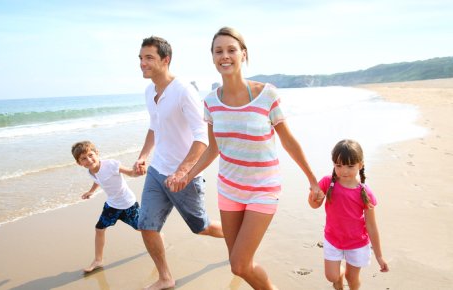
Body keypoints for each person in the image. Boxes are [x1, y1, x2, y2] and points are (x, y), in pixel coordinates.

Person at [170, 27, 322, 290]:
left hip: (263, 189)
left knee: (239, 264)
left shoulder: (266, 94)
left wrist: (312, 181)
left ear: (243, 54)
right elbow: (212, 149)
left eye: (231, 50)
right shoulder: (210, 102)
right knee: (239, 263)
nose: (225, 56)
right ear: (213, 58)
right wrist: (187, 175)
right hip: (229, 189)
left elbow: (288, 140)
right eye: (219, 51)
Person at [135, 36, 224, 290]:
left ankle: (238, 240)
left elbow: (202, 137)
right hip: (157, 171)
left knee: (202, 227)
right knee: (146, 225)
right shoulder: (149, 91)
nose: (143, 63)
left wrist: (183, 171)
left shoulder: (184, 90)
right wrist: (143, 156)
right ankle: (165, 278)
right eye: (141, 58)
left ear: (166, 60)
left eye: (149, 58)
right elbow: (154, 127)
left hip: (185, 176)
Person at [308, 139, 389, 290]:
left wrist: (379, 255)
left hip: (356, 243)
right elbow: (314, 205)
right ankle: (338, 283)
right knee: (331, 276)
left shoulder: (365, 192)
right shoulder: (328, 182)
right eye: (339, 165)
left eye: (350, 166)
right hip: (333, 239)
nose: (344, 171)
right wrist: (314, 197)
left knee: (352, 278)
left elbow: (371, 225)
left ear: (360, 164)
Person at [71, 141, 141, 273]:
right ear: (79, 163)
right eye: (83, 159)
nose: (89, 160)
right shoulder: (91, 171)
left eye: (91, 155)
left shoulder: (111, 165)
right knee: (99, 229)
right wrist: (91, 191)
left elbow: (130, 173)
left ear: (97, 154)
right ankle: (98, 260)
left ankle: (158, 236)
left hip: (128, 205)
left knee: (142, 229)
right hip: (112, 205)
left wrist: (137, 171)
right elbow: (98, 180)